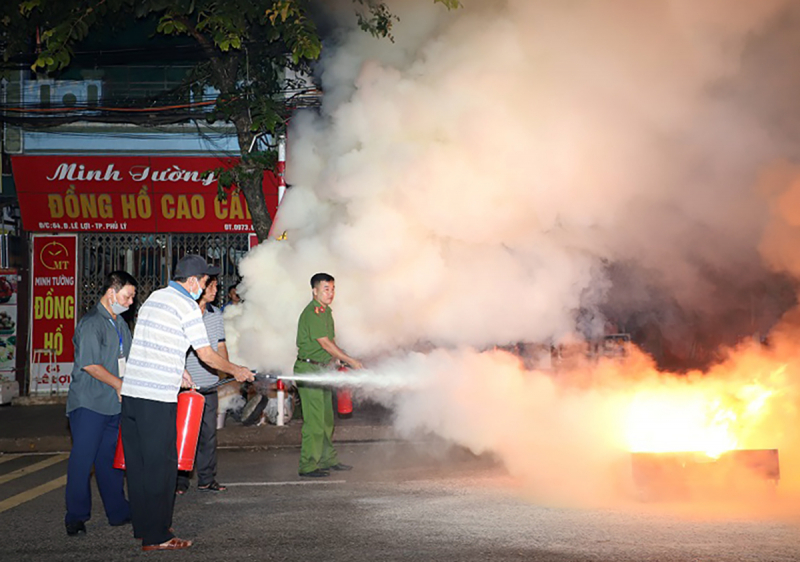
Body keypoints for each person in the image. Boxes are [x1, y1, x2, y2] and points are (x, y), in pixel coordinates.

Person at [120, 255, 254, 552]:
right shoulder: (188, 307)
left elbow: (152, 341)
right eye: (206, 281)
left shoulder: (156, 297)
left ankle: (145, 526)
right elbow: (205, 354)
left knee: (140, 466)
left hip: (132, 395)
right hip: (156, 397)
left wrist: (178, 370)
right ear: (192, 281)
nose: (207, 287)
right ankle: (157, 536)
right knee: (162, 468)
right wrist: (237, 371)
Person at [64, 271, 137, 536]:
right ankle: (76, 516)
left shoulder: (120, 324)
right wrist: (119, 384)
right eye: (127, 296)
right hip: (89, 404)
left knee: (110, 462)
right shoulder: (92, 323)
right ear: (111, 293)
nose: (130, 302)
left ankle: (118, 512)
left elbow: (127, 360)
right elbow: (90, 365)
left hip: (113, 405)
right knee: (82, 462)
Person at [294, 273, 362, 478]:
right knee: (314, 421)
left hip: (322, 369)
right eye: (326, 289)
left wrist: (338, 359)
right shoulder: (313, 312)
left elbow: (329, 344)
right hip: (309, 370)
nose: (330, 293)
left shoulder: (325, 312)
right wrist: (350, 360)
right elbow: (324, 342)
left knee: (326, 420)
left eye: (332, 289)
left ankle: (327, 459)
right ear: (314, 290)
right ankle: (307, 465)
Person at [176, 275, 227, 495]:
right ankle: (179, 481)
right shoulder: (185, 313)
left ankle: (207, 478)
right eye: (211, 286)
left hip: (209, 385)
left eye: (217, 286)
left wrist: (226, 371)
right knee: (184, 435)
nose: (215, 290)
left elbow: (221, 346)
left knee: (208, 435)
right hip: (186, 387)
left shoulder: (216, 316)